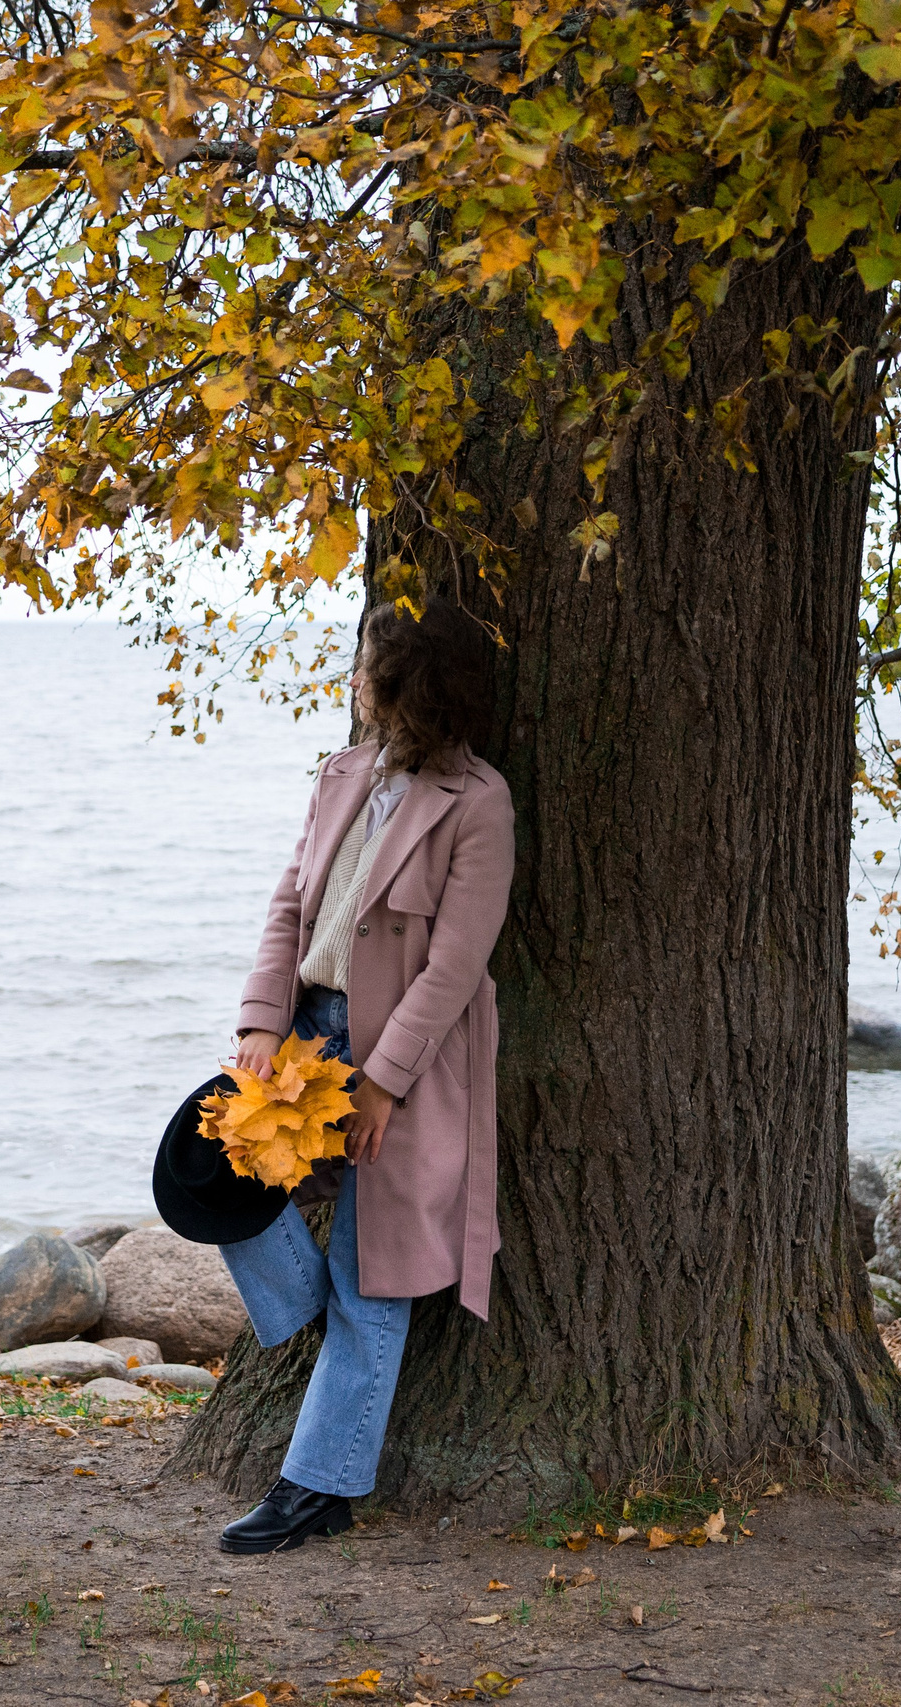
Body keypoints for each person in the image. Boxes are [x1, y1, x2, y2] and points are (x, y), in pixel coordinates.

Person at [213, 597, 515, 1554]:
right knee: (211, 1183)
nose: (353, 680)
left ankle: (319, 1486)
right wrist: (262, 1021)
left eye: (367, 666)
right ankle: (317, 1322)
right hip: (305, 1034)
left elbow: (455, 966)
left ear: (408, 686)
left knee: (371, 1276)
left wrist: (382, 1082)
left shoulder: (480, 803)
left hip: (404, 1064)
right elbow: (286, 905)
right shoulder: (341, 772)